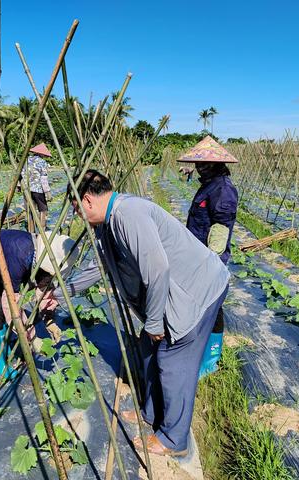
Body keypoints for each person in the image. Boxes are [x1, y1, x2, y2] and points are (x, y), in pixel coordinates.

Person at [57, 169, 229, 457]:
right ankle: (151, 415)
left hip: (198, 290)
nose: (77, 216)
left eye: (75, 209)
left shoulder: (128, 214)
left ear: (86, 200)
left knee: (173, 361)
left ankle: (174, 439)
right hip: (174, 290)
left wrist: (153, 321)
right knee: (149, 349)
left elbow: (158, 270)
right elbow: (98, 268)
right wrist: (62, 294)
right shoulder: (106, 224)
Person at [0, 229, 78, 378]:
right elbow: (11, 303)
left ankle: (7, 344)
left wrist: (49, 320)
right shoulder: (21, 254)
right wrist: (32, 338)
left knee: (0, 304)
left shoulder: (43, 260)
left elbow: (44, 291)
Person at [178, 135, 239, 378]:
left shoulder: (223, 189)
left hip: (209, 258)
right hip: (197, 254)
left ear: (216, 165)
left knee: (213, 306)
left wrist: (209, 261)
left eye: (204, 164)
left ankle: (211, 358)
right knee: (201, 306)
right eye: (198, 163)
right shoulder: (209, 185)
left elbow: (221, 228)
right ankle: (198, 349)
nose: (199, 167)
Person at [21, 143, 53, 229]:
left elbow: (21, 173)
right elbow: (43, 178)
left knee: (30, 210)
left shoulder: (26, 160)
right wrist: (47, 192)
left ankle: (31, 230)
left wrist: (19, 186)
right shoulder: (42, 162)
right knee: (43, 209)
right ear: (42, 153)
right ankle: (42, 229)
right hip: (38, 189)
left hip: (26, 189)